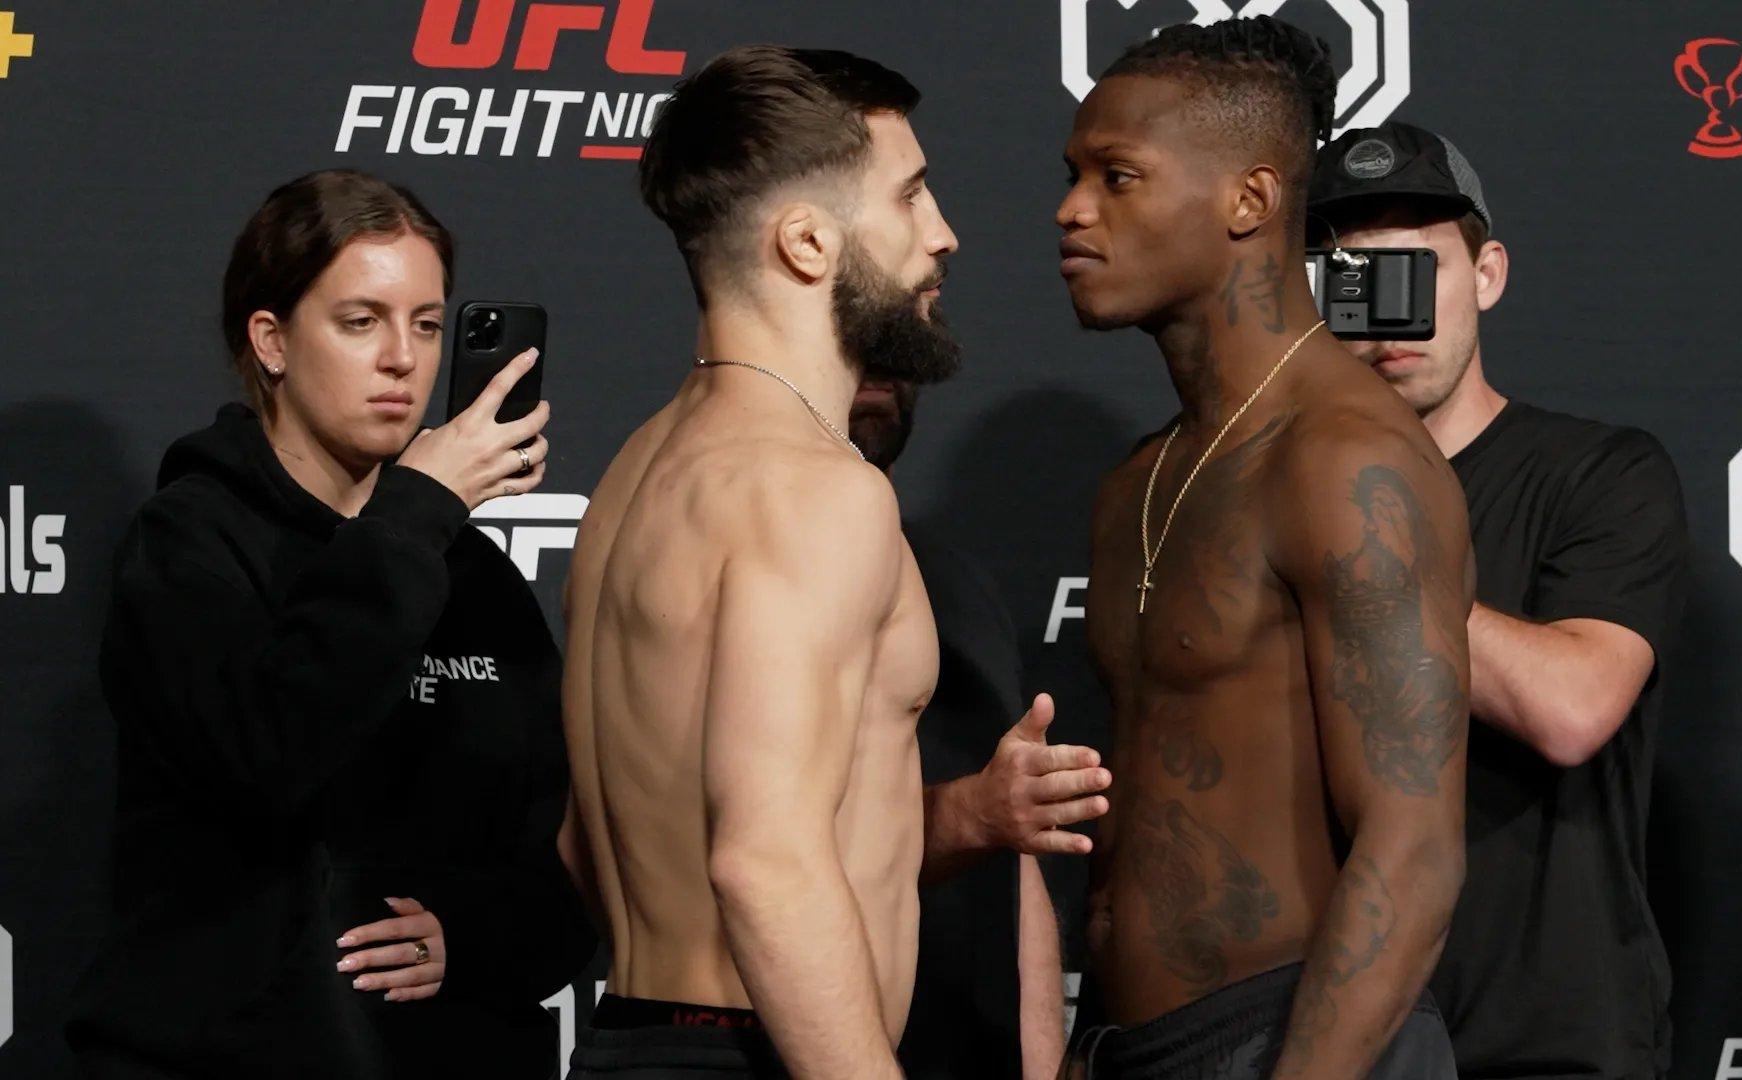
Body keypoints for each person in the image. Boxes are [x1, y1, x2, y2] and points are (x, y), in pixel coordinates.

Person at [559, 46, 1108, 1079]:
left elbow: (586, 847)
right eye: (908, 197)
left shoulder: (639, 473)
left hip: (640, 1041)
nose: (943, 233)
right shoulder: (820, 490)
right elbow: (765, 864)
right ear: (808, 242)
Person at [66, 169, 593, 1079]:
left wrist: (471, 932)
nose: (403, 359)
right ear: (270, 340)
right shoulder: (189, 542)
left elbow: (567, 856)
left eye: (427, 324)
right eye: (361, 321)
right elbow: (270, 754)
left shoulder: (473, 574)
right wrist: (418, 514)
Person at [1054, 16, 1472, 1078]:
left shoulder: (1343, 461)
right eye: (1073, 175)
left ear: (1249, 200)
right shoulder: (1136, 483)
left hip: (1298, 1041)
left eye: (1118, 177)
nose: (1072, 212)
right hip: (1125, 1044)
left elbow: (1412, 848)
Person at [1308, 121, 1690, 1079]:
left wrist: (1348, 564)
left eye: (1417, 272)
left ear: (1487, 275)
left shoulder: (1599, 473)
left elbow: (1569, 709)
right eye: (1356, 279)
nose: (1391, 318)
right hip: (1331, 1026)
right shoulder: (1267, 491)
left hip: (1550, 1037)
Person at [849, 378, 1070, 1079]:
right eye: (862, 326)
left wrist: (1040, 1062)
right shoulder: (735, 562)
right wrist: (971, 814)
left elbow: (1018, 848)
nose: (881, 365)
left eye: (902, 339)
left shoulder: (957, 581)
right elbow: (762, 851)